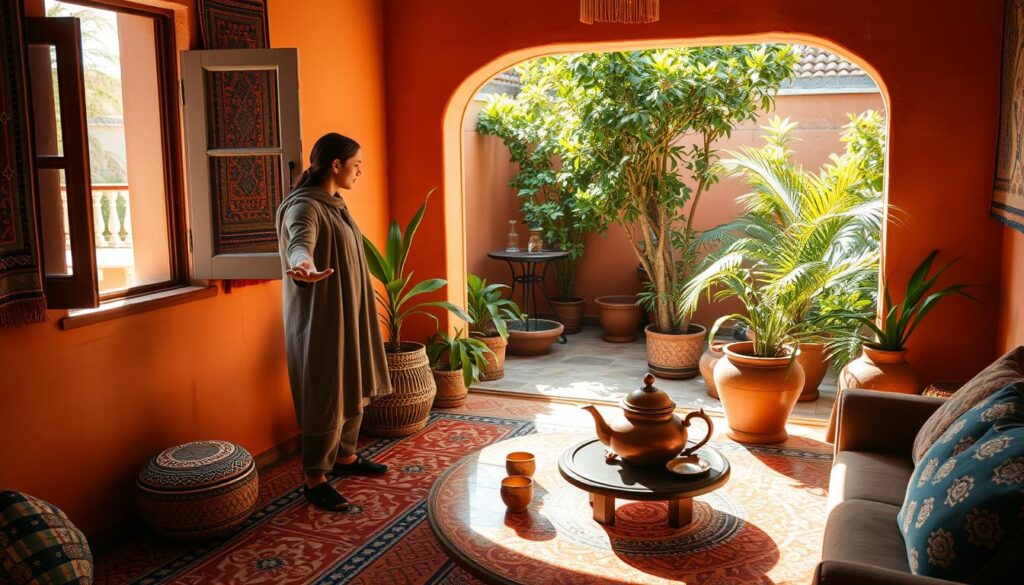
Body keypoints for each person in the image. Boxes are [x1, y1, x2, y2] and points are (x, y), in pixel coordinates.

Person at [276, 133, 392, 511]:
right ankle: (314, 477)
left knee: (353, 378)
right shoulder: (305, 207)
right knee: (325, 390)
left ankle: (345, 457)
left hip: (348, 310)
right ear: (336, 165)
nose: (360, 172)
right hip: (322, 317)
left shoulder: (334, 202)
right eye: (356, 165)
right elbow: (299, 242)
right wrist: (302, 265)